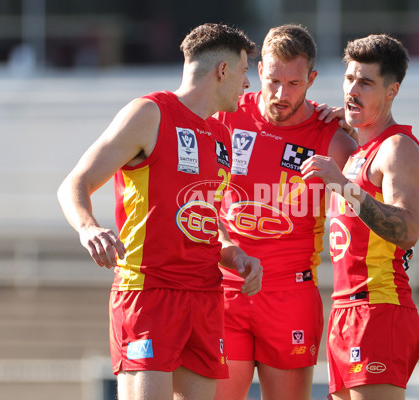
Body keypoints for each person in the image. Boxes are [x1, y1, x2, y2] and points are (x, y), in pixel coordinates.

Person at [56, 23, 263, 400]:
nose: (249, 83)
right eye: (246, 70)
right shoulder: (149, 113)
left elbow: (204, 220)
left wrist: (234, 253)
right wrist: (89, 228)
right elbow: (74, 184)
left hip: (204, 295)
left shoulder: (221, 136)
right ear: (222, 71)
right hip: (148, 292)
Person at [213, 24, 358, 400]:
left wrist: (359, 127)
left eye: (294, 84)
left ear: (311, 79)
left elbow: (370, 193)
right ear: (259, 70)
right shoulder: (226, 116)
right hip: (226, 288)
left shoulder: (332, 138)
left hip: (290, 296)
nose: (280, 94)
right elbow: (196, 199)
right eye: (274, 80)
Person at [301, 34, 419, 400]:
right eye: (349, 79)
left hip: (379, 308)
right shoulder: (361, 149)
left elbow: (407, 230)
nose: (352, 90)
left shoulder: (397, 149)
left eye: (366, 83)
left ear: (392, 91)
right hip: (346, 309)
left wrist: (342, 184)